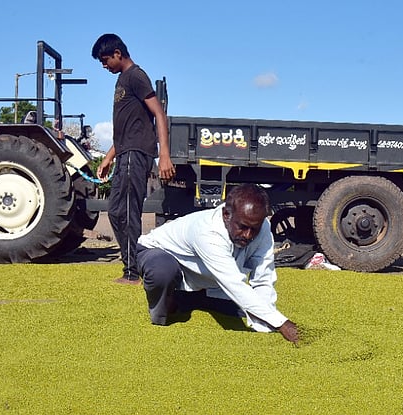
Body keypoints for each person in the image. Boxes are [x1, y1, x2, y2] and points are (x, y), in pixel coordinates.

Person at [136, 184, 300, 344]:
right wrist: (282, 323)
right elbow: (234, 284)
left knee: (246, 310)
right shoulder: (207, 232)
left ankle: (190, 298)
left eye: (254, 229)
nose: (248, 235)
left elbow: (263, 277)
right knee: (162, 272)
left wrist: (268, 322)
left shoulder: (263, 228)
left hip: (205, 277)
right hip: (159, 254)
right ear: (226, 215)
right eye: (242, 227)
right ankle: (163, 311)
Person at [91, 33, 175, 284]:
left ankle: (132, 272)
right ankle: (133, 265)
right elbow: (125, 129)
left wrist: (165, 155)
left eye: (105, 60)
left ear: (118, 53)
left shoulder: (136, 76)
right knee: (116, 211)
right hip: (125, 152)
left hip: (137, 153)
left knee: (127, 211)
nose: (104, 65)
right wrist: (108, 158)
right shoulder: (122, 81)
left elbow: (159, 114)